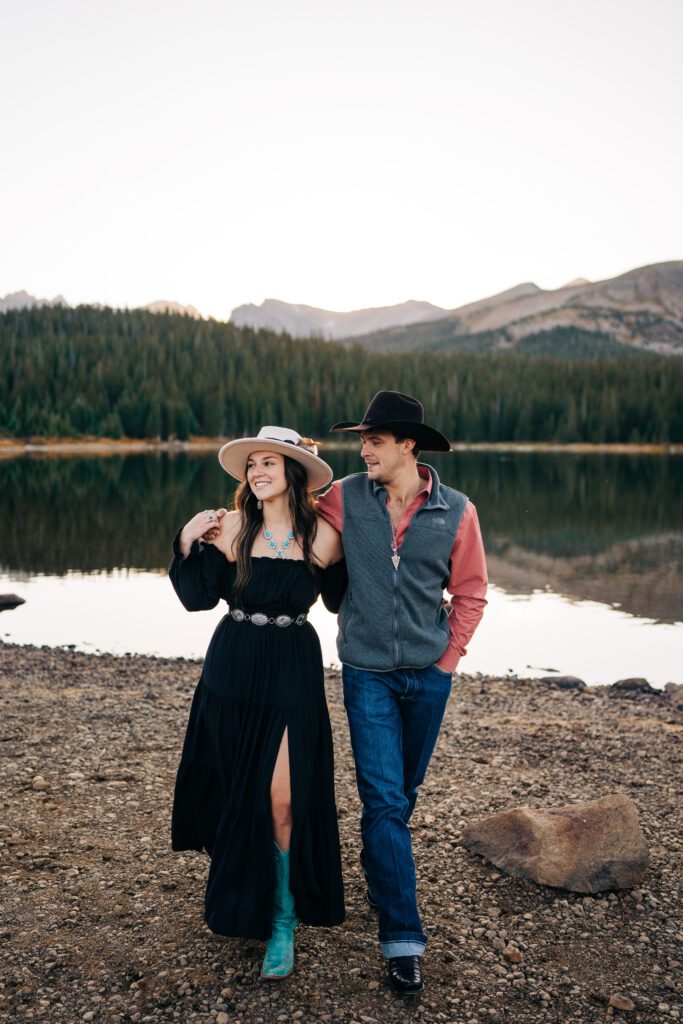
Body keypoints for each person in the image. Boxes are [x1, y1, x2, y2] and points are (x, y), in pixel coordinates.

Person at [316, 390, 488, 996]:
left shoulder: (458, 511)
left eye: (374, 441)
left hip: (427, 678)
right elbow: (289, 512)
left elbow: (470, 593)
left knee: (403, 794)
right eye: (360, 441)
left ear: (407, 446)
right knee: (384, 802)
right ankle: (402, 939)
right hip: (366, 674)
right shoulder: (343, 496)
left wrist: (446, 663)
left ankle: (380, 866)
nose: (363, 451)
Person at [168, 426, 346, 980]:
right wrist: (185, 541)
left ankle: (284, 920)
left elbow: (344, 602)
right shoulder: (233, 527)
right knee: (232, 786)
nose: (258, 472)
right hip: (233, 663)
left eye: (269, 463)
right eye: (252, 465)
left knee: (284, 799)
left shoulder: (324, 536)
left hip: (293, 664)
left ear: (293, 472)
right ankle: (244, 902)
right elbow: (198, 599)